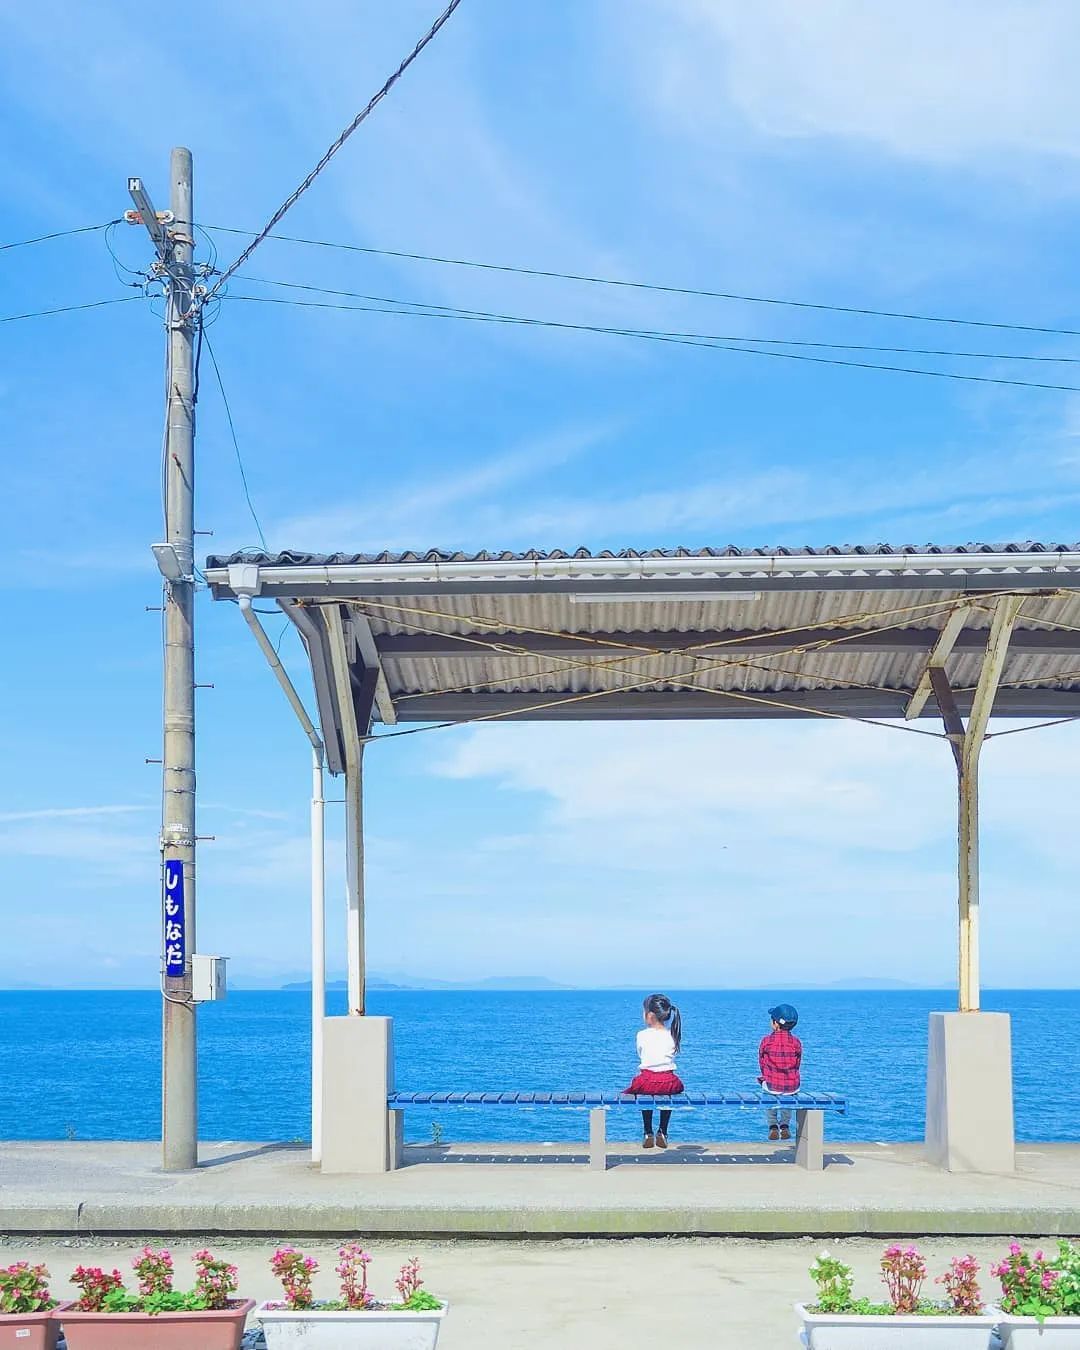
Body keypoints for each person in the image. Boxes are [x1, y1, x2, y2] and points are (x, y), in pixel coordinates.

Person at [624, 993, 684, 1150]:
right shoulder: (673, 1034)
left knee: (644, 1092)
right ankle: (663, 1130)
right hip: (668, 1081)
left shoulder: (642, 1035)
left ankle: (647, 1131)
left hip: (647, 1081)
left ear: (649, 1015)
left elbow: (641, 1054)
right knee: (669, 1093)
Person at [758, 1003, 802, 1142]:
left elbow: (762, 1063)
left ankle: (772, 1125)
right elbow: (797, 1064)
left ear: (776, 1023)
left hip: (772, 1086)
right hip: (792, 1086)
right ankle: (784, 1124)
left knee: (768, 1095)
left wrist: (765, 1077)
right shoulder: (796, 1042)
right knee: (789, 1096)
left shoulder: (766, 1041)